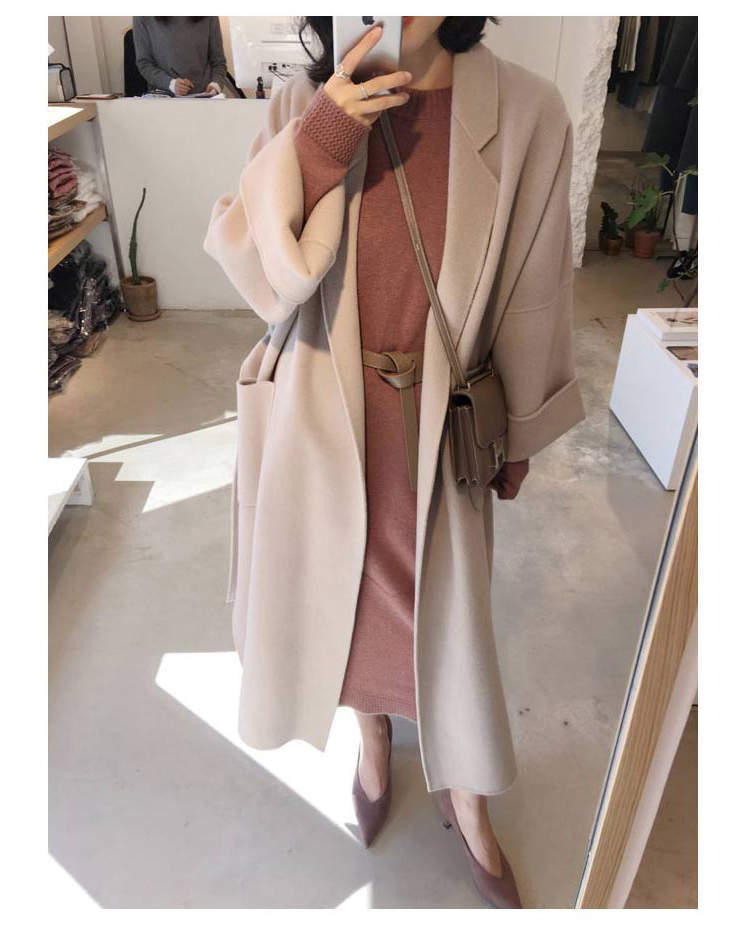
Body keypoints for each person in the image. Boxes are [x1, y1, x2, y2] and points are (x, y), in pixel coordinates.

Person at [204, 16, 585, 908]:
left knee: (446, 621)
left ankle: (467, 791)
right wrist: (323, 138)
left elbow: (535, 290)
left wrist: (521, 429)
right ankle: (372, 741)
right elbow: (257, 275)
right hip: (319, 414)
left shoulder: (527, 112)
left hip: (440, 427)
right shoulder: (305, 103)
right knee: (338, 606)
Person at [132, 16, 227, 97]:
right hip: (164, 97)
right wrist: (170, 84)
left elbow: (218, 61)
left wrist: (216, 84)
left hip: (204, 97)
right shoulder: (142, 16)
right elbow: (144, 63)